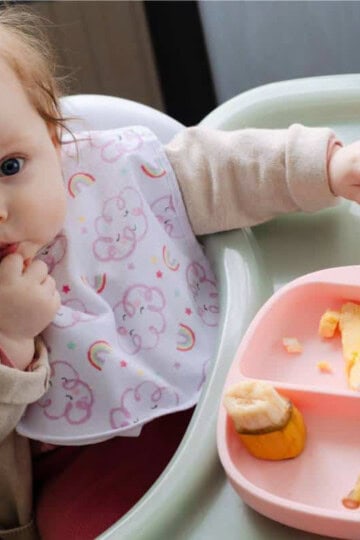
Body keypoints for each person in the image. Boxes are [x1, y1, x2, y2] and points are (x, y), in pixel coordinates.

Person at [0, 5, 359, 540]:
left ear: (54, 140)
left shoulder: (109, 174)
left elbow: (220, 172)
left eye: (10, 167)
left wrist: (326, 167)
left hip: (228, 380)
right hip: (90, 465)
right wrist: (12, 334)